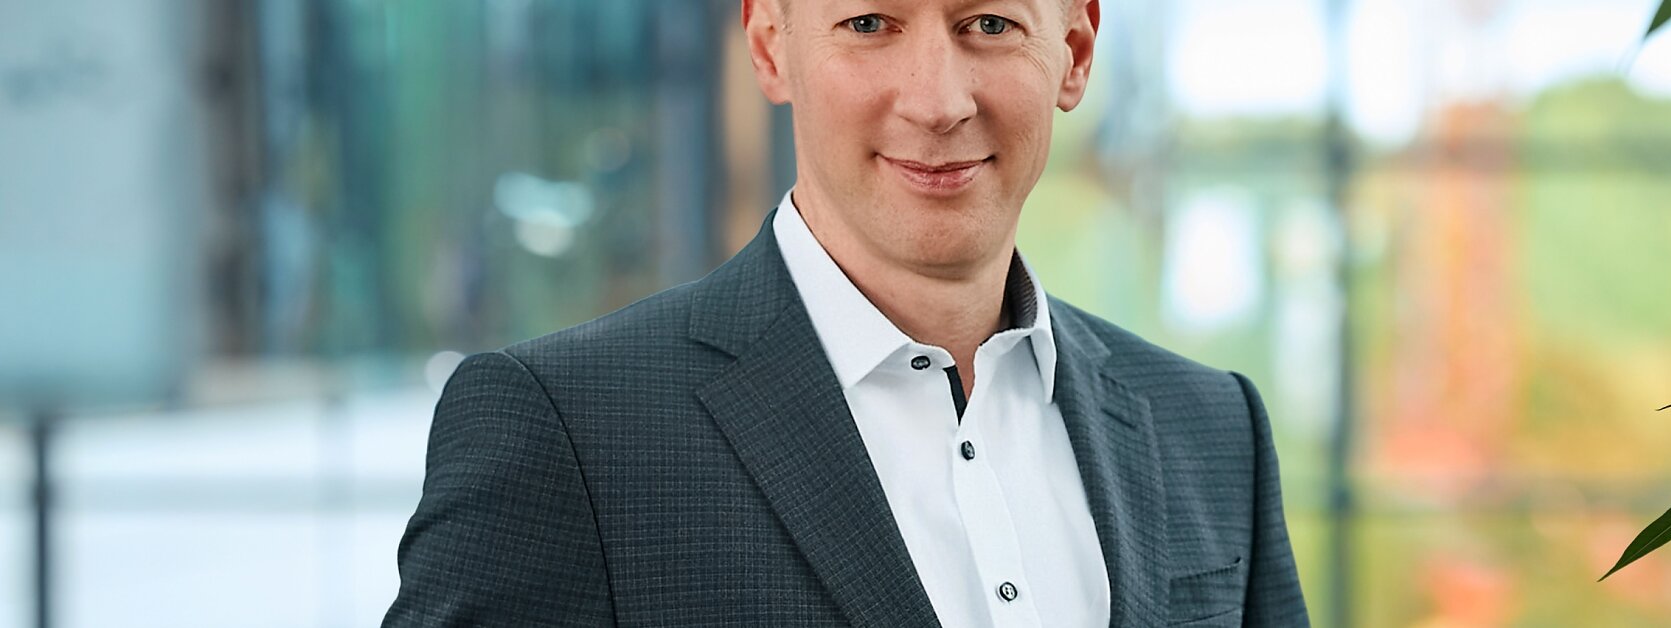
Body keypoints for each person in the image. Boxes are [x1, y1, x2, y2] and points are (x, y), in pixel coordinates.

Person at [381, 0, 1306, 626]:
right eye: (870, 23)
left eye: (989, 23)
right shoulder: (563, 433)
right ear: (770, 44)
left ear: (1074, 49)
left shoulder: (1212, 428)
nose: (938, 102)